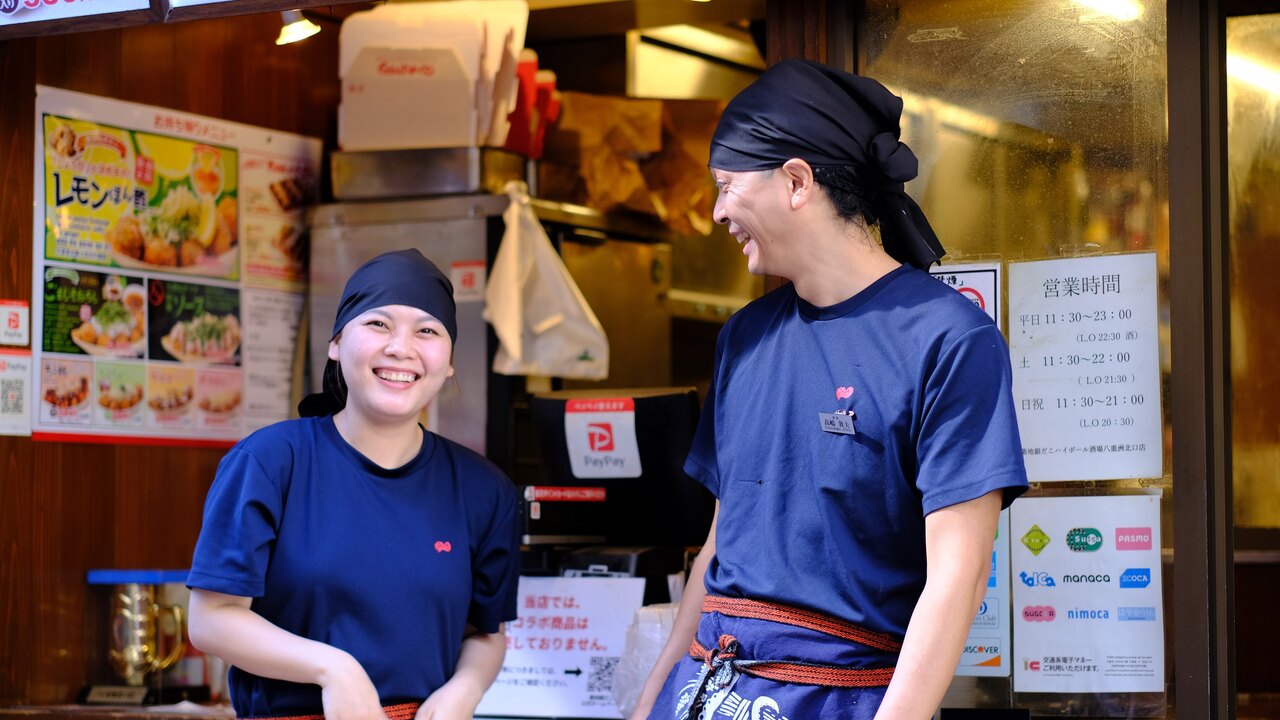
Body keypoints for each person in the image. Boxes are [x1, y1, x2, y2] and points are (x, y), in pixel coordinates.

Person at [630, 60, 1028, 720]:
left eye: (728, 187)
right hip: (709, 694)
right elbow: (721, 545)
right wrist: (653, 696)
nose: (717, 211)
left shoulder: (949, 339)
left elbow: (958, 579)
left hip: (841, 700)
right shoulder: (743, 338)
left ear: (795, 181)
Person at [187, 249, 521, 720]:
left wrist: (462, 692)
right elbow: (210, 619)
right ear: (337, 344)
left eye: (427, 330)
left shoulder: (486, 490)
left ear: (448, 363)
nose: (400, 347)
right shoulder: (270, 462)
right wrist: (333, 670)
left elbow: (484, 632)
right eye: (379, 324)